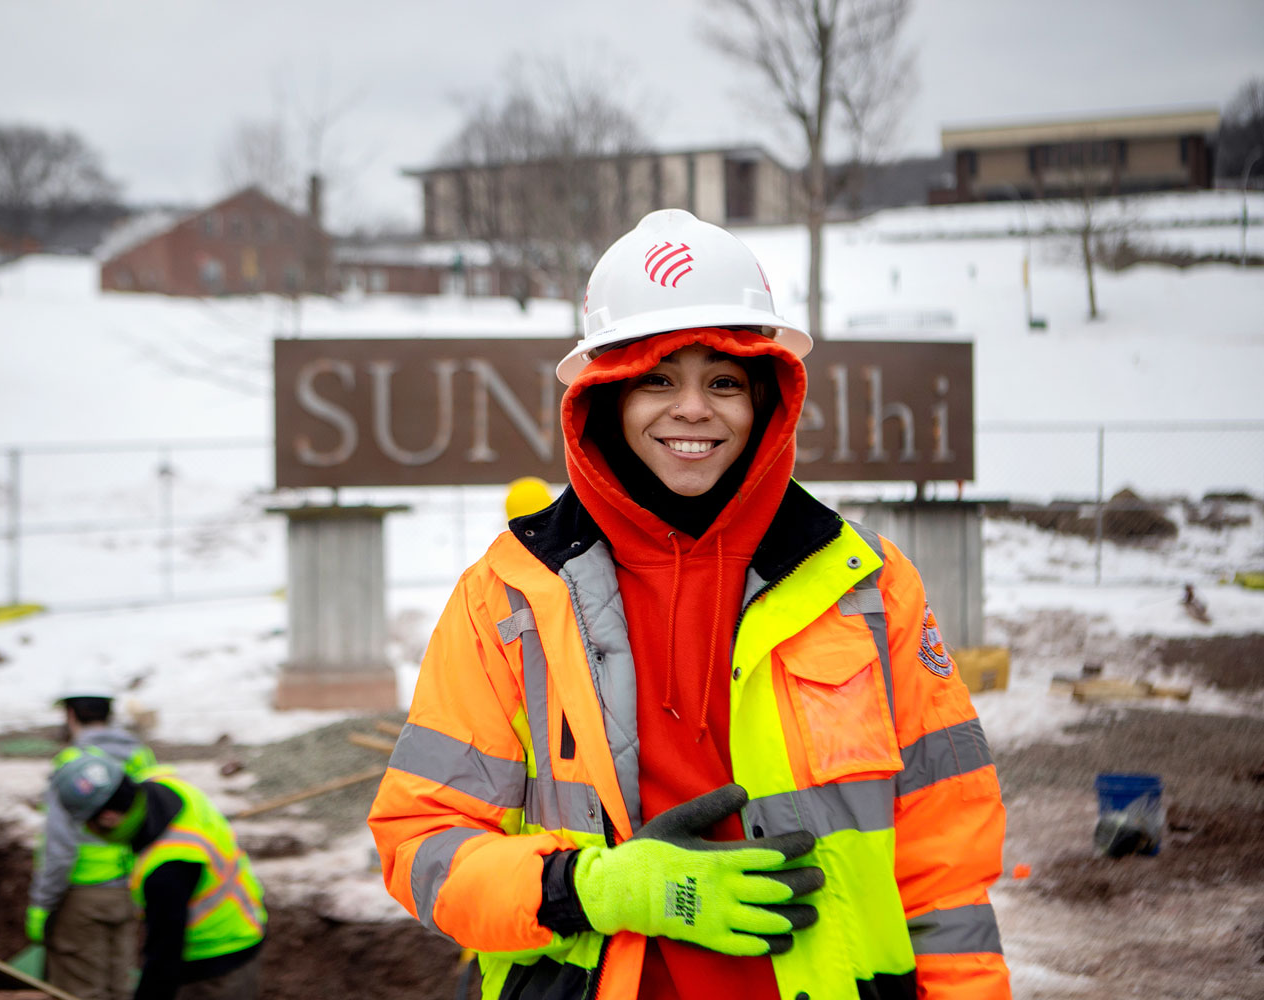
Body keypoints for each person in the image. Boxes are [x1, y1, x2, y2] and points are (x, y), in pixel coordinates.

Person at [368, 209, 1010, 1000]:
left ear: (768, 397)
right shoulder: (508, 597)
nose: (693, 410)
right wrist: (593, 888)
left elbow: (948, 863)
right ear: (603, 399)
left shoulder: (869, 588)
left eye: (724, 381)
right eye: (658, 379)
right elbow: (420, 842)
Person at [51, 748, 266, 1000]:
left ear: (108, 819)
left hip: (215, 961)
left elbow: (164, 960)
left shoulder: (167, 867)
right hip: (241, 927)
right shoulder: (166, 784)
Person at [28, 681, 158, 1000]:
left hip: (81, 896)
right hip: (129, 891)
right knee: (120, 988)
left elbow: (59, 846)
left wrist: (42, 904)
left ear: (71, 715)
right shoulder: (141, 757)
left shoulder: (73, 763)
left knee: (82, 991)